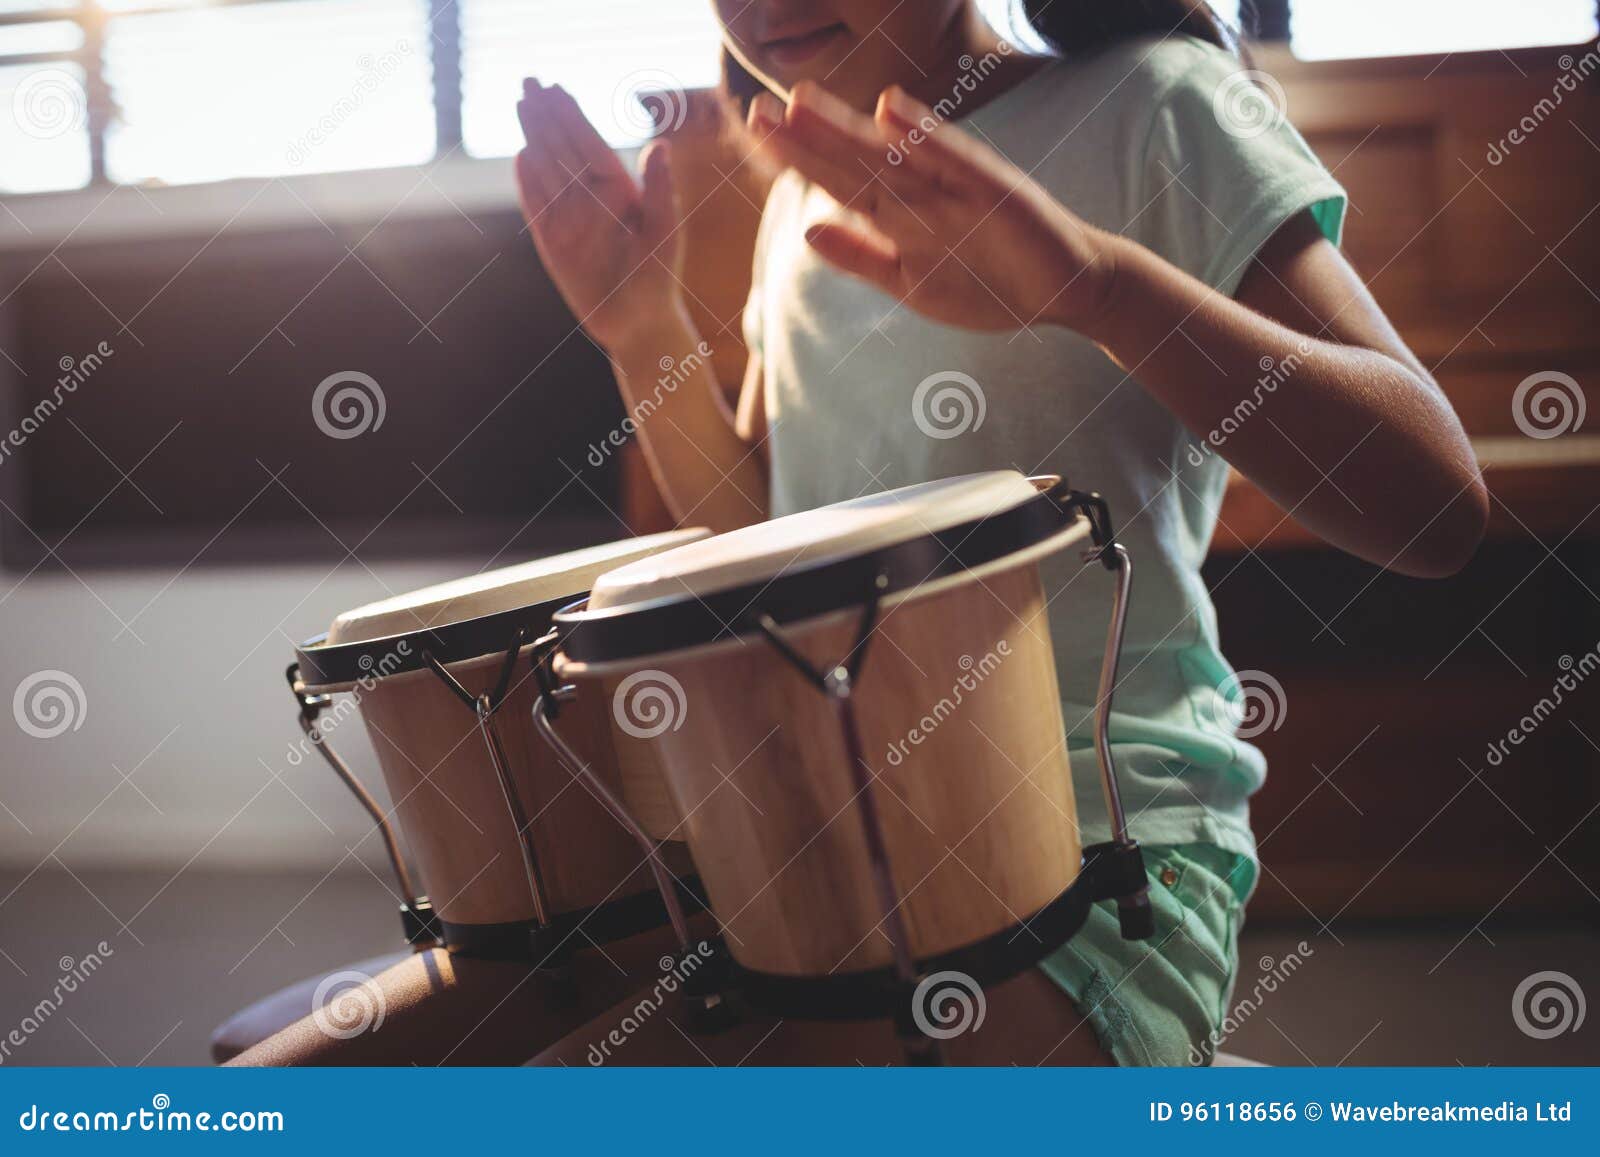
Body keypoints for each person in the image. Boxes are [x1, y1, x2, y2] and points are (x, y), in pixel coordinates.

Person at [511, 1, 1488, 1065]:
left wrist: (1097, 287)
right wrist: (641, 326)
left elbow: (1432, 504)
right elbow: (773, 546)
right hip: (831, 843)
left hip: (1094, 850)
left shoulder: (1154, 101)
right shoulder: (800, 196)